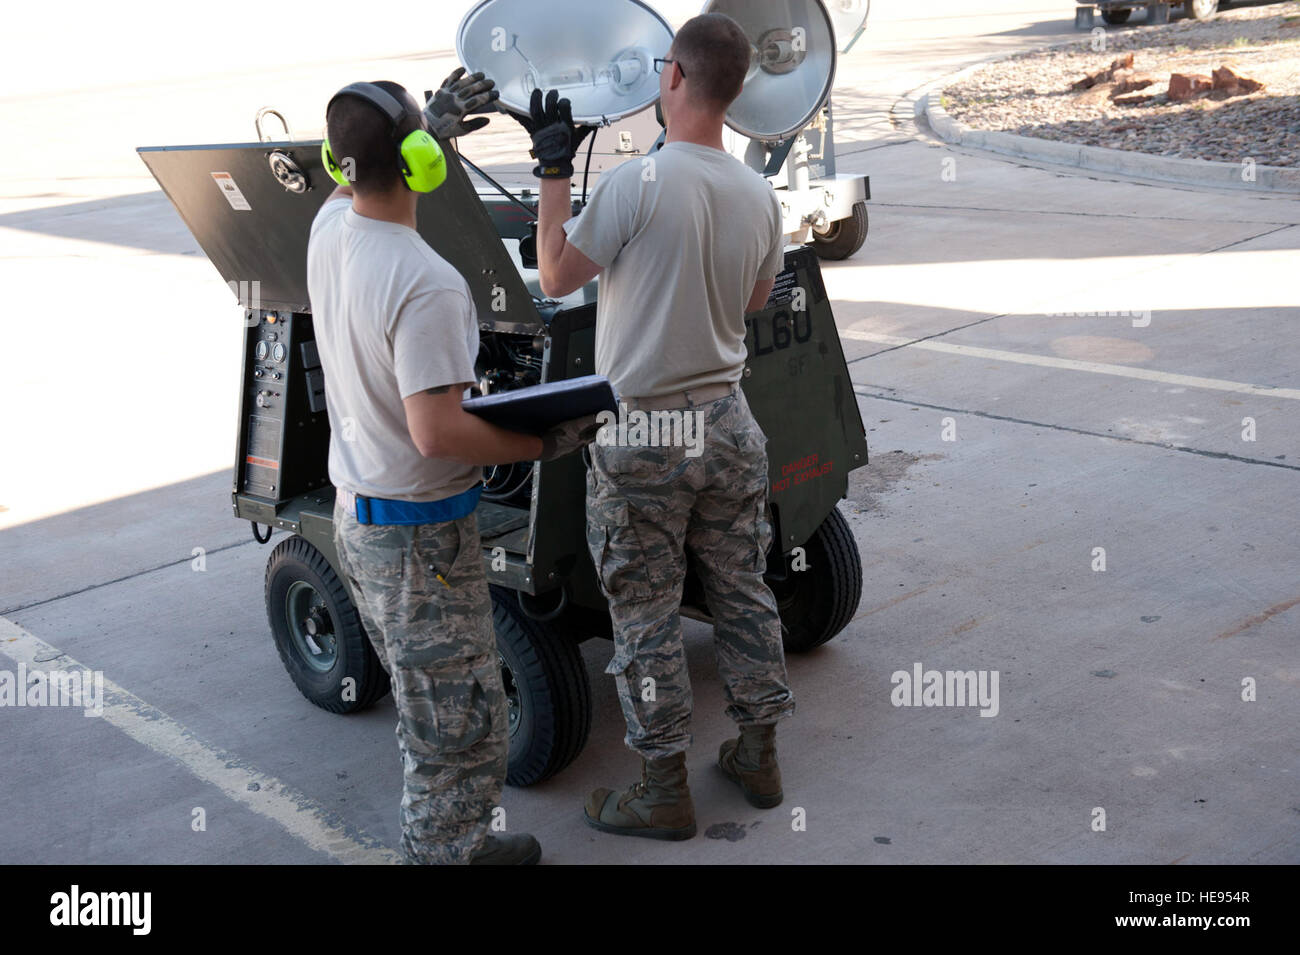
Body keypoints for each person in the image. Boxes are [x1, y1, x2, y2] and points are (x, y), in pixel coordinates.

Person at [509, 13, 795, 841]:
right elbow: (749, 302)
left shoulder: (639, 184)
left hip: (646, 434)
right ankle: (758, 753)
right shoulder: (756, 192)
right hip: (730, 424)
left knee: (645, 613)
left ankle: (663, 787)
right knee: (744, 592)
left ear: (673, 78)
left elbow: (558, 273)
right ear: (734, 90)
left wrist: (554, 170)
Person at [307, 72, 594, 864]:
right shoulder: (429, 283)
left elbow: (347, 188)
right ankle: (443, 853)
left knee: (429, 704)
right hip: (419, 541)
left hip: (359, 518)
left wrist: (425, 125)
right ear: (422, 160)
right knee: (461, 727)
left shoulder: (328, 232)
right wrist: (544, 444)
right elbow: (437, 431)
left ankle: (463, 843)